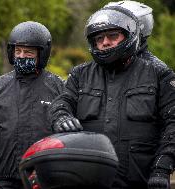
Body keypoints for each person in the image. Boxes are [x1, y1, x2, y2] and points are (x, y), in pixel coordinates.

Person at [49, 6, 175, 189]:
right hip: (88, 179)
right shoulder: (80, 74)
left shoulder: (158, 74)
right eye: (99, 38)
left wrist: (162, 168)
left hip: (142, 181)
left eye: (113, 36)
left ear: (130, 36)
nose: (105, 42)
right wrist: (61, 116)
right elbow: (62, 102)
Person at [0, 21, 64, 189]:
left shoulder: (59, 87)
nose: (22, 56)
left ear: (41, 54)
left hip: (44, 180)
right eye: (18, 51)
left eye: (28, 52)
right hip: (4, 181)